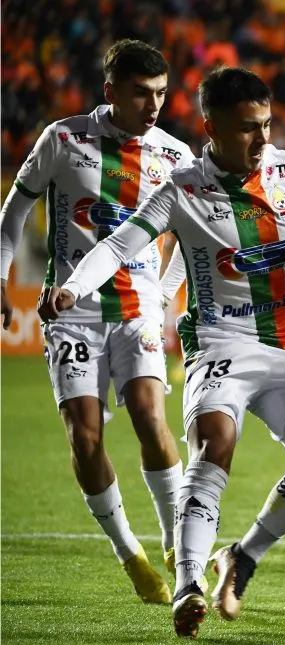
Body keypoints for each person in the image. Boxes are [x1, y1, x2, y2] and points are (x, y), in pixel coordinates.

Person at [37, 67, 285, 638]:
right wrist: (73, 288)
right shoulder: (181, 188)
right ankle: (189, 585)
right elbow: (117, 244)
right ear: (212, 128)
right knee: (214, 447)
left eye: (267, 126)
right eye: (248, 129)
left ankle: (244, 555)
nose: (261, 139)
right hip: (219, 345)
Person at [0, 39, 194, 605]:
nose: (153, 105)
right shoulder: (62, 139)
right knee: (86, 438)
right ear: (111, 91)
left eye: (161, 93)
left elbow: (189, 239)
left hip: (137, 312)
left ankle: (175, 540)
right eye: (141, 94)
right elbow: (14, 212)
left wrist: (163, 295)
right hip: (71, 315)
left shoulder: (176, 156)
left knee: (150, 418)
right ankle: (129, 552)